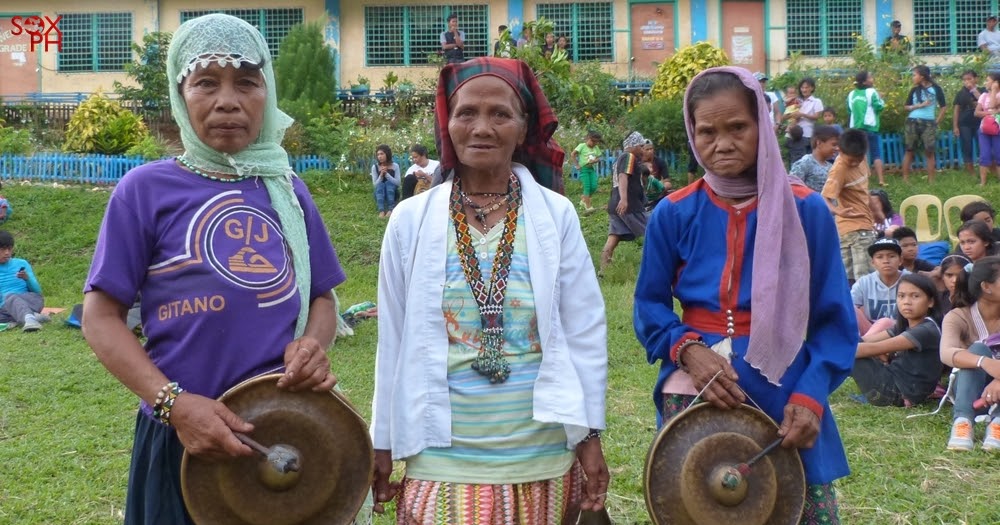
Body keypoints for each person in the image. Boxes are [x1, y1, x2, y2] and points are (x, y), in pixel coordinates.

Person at [80, 14, 345, 524]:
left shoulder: (287, 191)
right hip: (183, 437)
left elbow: (321, 299)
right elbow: (100, 317)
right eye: (205, 82)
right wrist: (176, 407)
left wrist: (313, 345)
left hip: (286, 437)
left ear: (267, 94)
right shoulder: (144, 191)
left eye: (247, 82)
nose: (228, 101)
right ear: (180, 95)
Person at [371, 56, 610, 522]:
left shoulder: (555, 215)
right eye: (467, 113)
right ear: (448, 125)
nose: (482, 127)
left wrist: (588, 434)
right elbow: (392, 338)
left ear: (523, 129)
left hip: (541, 454)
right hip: (441, 456)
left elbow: (584, 330)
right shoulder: (410, 220)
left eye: (500, 113)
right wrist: (382, 439)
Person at [635, 67, 856, 523]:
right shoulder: (673, 213)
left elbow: (834, 320)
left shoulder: (806, 210)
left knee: (797, 507)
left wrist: (811, 395)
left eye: (737, 127)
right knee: (698, 506)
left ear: (762, 125)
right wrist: (688, 350)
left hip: (786, 388)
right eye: (707, 131)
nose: (722, 143)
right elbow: (649, 305)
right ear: (692, 133)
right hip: (696, 389)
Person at [853, 274, 942, 407]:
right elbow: (866, 341)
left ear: (931, 302)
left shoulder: (926, 330)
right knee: (850, 346)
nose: (906, 302)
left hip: (896, 394)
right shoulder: (905, 325)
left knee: (848, 352)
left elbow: (873, 348)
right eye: (901, 296)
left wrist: (837, 347)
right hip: (893, 382)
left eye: (915, 296)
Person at [940, 256, 1000, 451]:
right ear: (987, 287)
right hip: (972, 393)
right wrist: (985, 362)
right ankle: (963, 421)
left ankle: (998, 424)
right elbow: (946, 353)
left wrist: (998, 378)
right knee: (977, 349)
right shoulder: (959, 315)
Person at [822, 129, 875, 286]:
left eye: (858, 160)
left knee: (849, 279)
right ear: (840, 150)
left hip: (864, 223)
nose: (854, 163)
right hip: (854, 229)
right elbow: (824, 198)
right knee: (864, 279)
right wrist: (838, 211)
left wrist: (877, 212)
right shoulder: (839, 169)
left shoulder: (862, 159)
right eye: (850, 160)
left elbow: (865, 190)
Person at [600, 131, 649, 275]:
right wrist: (624, 199)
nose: (642, 150)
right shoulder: (628, 156)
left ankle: (603, 271)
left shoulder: (620, 158)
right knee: (652, 230)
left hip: (615, 205)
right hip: (629, 205)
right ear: (633, 145)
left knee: (613, 237)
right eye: (641, 146)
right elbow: (623, 176)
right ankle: (658, 266)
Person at [902, 66, 948, 183]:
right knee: (909, 150)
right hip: (912, 121)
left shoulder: (936, 89)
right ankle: (905, 179)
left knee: (929, 151)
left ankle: (931, 180)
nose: (913, 77)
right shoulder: (914, 90)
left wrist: (937, 121)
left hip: (928, 122)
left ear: (922, 76)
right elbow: (906, 107)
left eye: (914, 75)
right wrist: (919, 105)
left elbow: (943, 107)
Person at [853, 238, 907, 336]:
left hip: (903, 331)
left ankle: (862, 344)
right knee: (850, 308)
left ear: (900, 260)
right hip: (871, 330)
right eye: (880, 257)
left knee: (885, 322)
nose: (886, 261)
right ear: (873, 263)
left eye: (891, 256)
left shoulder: (911, 280)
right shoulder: (863, 282)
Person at [0, 230, 46, 332]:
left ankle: (30, 320)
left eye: (9, 249)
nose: (7, 253)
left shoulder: (21, 263)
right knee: (9, 299)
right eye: (2, 249)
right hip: (5, 308)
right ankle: (30, 316)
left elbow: (37, 291)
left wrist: (27, 278)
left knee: (11, 297)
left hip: (29, 300)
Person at [790, 125, 840, 192]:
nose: (837, 148)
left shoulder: (831, 167)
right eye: (834, 144)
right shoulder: (804, 163)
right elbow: (792, 190)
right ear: (819, 143)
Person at [953, 70, 983, 177]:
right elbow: (956, 110)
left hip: (980, 123)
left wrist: (973, 90)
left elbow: (984, 102)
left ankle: (986, 169)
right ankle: (971, 173)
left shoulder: (982, 90)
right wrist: (955, 126)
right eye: (964, 80)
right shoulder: (960, 93)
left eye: (969, 79)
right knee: (967, 147)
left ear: (976, 79)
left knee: (982, 146)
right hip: (964, 123)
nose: (967, 82)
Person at [976, 71, 1000, 186]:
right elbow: (977, 112)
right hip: (984, 128)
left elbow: (991, 105)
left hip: (998, 128)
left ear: (995, 82)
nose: (985, 83)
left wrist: (994, 90)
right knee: (984, 155)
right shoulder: (983, 96)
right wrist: (991, 113)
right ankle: (983, 182)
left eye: (988, 80)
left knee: (999, 155)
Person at [571, 130, 603, 213]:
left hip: (591, 169)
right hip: (584, 169)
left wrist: (595, 160)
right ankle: (588, 206)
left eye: (596, 142)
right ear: (588, 138)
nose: (594, 143)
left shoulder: (596, 148)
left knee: (594, 186)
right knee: (587, 187)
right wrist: (577, 165)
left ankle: (584, 199)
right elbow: (573, 154)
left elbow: (599, 158)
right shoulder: (582, 146)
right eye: (593, 141)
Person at [790, 78, 824, 150]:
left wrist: (802, 115)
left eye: (807, 87)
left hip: (807, 133)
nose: (804, 90)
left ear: (812, 88)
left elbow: (816, 117)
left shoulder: (816, 101)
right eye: (802, 87)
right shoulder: (797, 101)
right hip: (794, 134)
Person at [371, 144, 401, 218]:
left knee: (388, 183)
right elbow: (375, 185)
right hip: (379, 194)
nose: (379, 156)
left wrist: (387, 174)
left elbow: (398, 183)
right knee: (380, 184)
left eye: (382, 154)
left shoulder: (395, 166)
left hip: (393, 193)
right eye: (378, 154)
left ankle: (391, 209)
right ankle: (381, 211)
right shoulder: (375, 167)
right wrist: (381, 175)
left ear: (387, 154)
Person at [642, 140, 671, 209]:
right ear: (642, 150)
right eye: (647, 149)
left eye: (651, 149)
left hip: (657, 190)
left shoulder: (660, 162)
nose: (650, 151)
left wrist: (659, 187)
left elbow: (667, 182)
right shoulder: (638, 163)